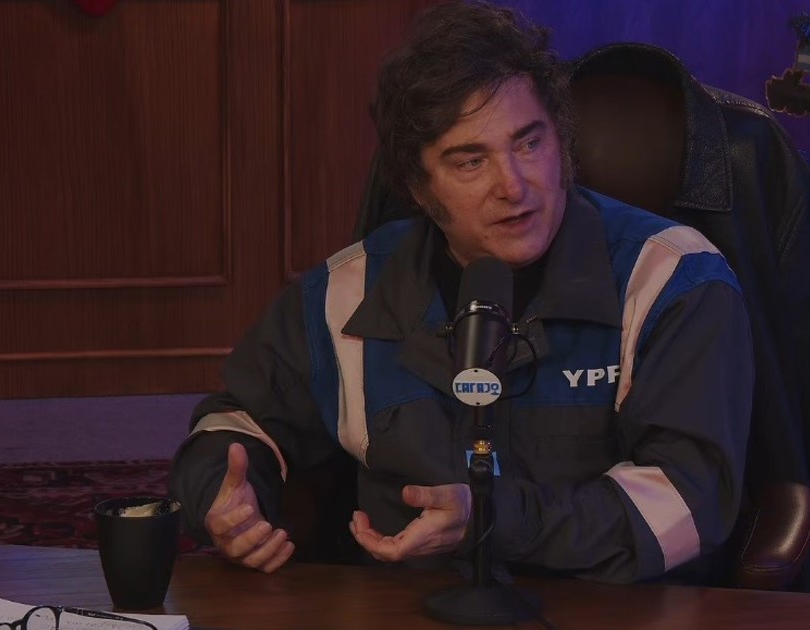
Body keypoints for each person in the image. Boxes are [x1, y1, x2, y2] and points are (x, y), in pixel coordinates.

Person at [167, 1, 753, 585]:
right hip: (406, 605)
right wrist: (221, 495)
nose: (513, 186)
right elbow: (237, 420)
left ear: (562, 141)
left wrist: (491, 519)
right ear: (419, 188)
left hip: (609, 609)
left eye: (529, 144)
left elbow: (687, 504)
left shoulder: (672, 278)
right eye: (471, 161)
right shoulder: (349, 290)